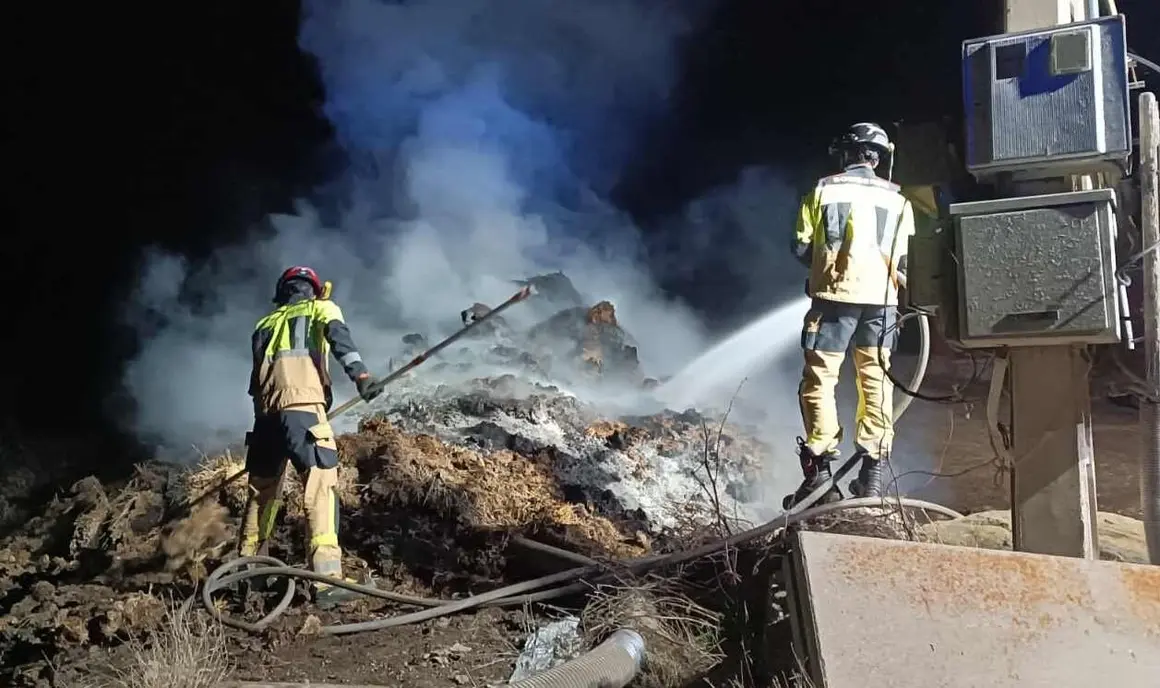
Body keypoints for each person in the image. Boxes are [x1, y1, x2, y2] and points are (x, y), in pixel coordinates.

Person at [784, 122, 916, 509]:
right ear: (878, 158)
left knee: (820, 379)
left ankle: (820, 473)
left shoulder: (823, 191)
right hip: (882, 304)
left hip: (833, 300)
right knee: (876, 379)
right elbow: (906, 259)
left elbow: (800, 246)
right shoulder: (899, 200)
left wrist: (825, 266)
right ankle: (871, 478)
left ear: (848, 154)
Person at [238, 265, 382, 605]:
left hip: (265, 419)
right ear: (314, 290)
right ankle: (326, 580)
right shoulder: (321, 308)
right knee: (320, 486)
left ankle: (248, 577)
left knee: (261, 494)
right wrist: (362, 377)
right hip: (303, 409)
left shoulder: (263, 324)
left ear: (282, 292)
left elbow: (254, 382)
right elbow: (340, 341)